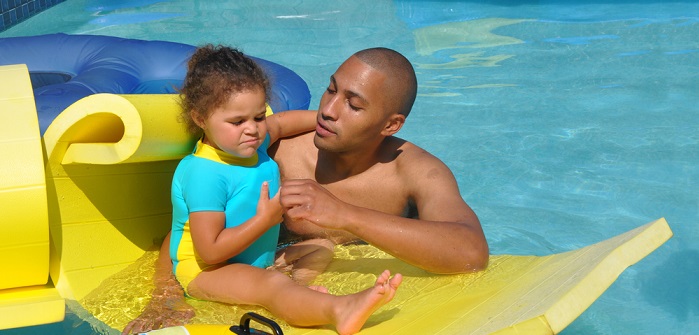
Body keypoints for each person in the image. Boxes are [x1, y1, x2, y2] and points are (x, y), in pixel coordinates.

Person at [122, 47, 488, 334]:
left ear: (390, 124)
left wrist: (344, 216)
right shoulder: (273, 147)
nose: (328, 110)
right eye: (331, 89)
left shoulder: (416, 173)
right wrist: (163, 296)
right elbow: (189, 221)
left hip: (288, 277)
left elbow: (471, 252)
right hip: (234, 279)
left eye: (353, 104)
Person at [162, 44, 402, 335]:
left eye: (258, 116)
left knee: (321, 248)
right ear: (200, 119)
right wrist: (264, 220)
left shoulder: (250, 146)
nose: (252, 129)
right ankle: (338, 310)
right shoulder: (205, 173)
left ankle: (298, 298)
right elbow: (210, 251)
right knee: (273, 285)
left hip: (252, 261)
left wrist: (336, 122)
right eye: (237, 121)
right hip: (206, 272)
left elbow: (283, 122)